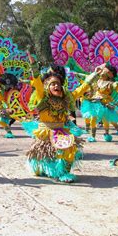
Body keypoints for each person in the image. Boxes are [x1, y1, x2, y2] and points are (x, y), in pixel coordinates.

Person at [24, 54, 97, 183]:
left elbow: (82, 89)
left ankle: (64, 173)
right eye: (52, 84)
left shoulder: (66, 97)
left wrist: (94, 75)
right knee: (42, 163)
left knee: (69, 148)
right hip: (45, 130)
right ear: (47, 87)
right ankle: (47, 168)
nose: (56, 86)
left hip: (61, 130)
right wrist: (34, 66)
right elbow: (37, 81)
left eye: (58, 84)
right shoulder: (42, 96)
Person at [80, 63, 118, 142]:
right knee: (93, 118)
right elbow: (88, 80)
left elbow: (117, 88)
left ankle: (108, 133)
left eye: (104, 72)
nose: (102, 73)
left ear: (109, 74)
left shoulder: (111, 83)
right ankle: (92, 136)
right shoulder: (97, 81)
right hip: (94, 103)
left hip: (104, 104)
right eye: (102, 71)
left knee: (106, 120)